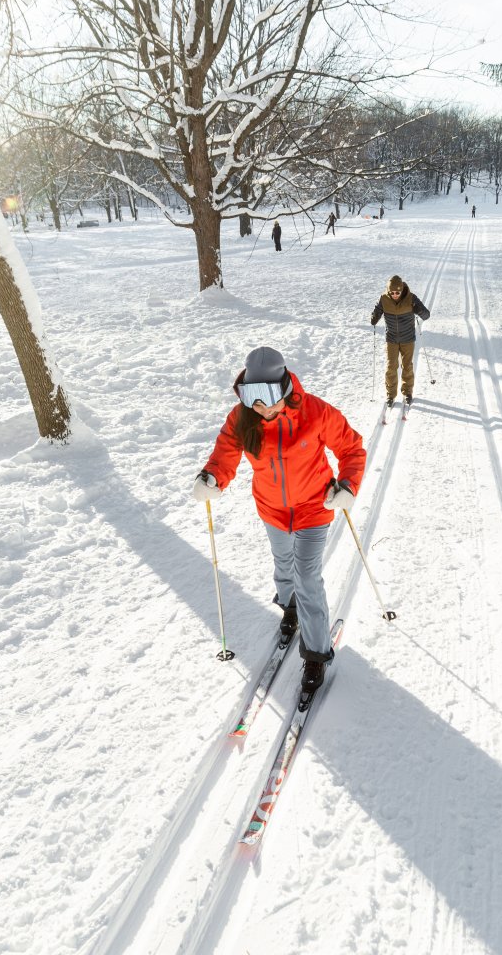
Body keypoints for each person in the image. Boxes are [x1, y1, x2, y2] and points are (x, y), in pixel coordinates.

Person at [192, 347, 365, 692]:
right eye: (250, 396)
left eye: (266, 396)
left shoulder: (314, 412)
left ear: (284, 387)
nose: (259, 406)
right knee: (284, 564)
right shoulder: (242, 419)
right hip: (271, 508)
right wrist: (212, 477)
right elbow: (225, 453)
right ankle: (289, 607)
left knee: (306, 576)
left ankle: (316, 654)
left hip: (314, 508)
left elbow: (351, 448)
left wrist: (347, 485)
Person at [370, 275, 430, 407]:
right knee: (391, 367)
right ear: (388, 291)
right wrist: (374, 317)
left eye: (398, 292)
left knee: (407, 366)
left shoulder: (411, 298)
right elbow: (376, 312)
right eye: (392, 292)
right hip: (391, 339)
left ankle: (407, 392)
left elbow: (426, 315)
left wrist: (418, 309)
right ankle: (390, 395)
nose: (395, 295)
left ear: (402, 290)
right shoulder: (384, 299)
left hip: (407, 339)